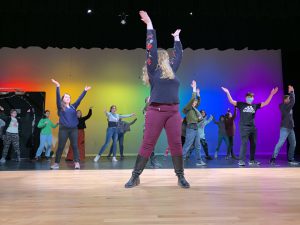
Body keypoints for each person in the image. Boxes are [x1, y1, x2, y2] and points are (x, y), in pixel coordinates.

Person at [125, 11, 190, 188]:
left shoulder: (172, 71)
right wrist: (149, 24)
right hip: (156, 111)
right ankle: (135, 176)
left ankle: (181, 177)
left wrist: (177, 39)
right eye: (166, 57)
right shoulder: (153, 69)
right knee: (148, 144)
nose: (170, 59)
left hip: (173, 112)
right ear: (161, 58)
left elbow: (179, 56)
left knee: (176, 143)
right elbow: (150, 48)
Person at [221, 86, 278, 166]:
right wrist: (227, 92)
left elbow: (266, 103)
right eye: (248, 97)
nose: (250, 98)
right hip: (244, 127)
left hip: (253, 128)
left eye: (251, 97)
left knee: (253, 144)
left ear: (253, 98)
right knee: (244, 143)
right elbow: (231, 101)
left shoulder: (255, 106)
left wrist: (272, 94)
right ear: (245, 98)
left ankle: (252, 160)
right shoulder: (241, 104)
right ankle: (241, 160)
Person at [50, 79, 91, 170]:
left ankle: (76, 163)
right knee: (60, 146)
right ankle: (56, 163)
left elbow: (79, 99)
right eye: (66, 97)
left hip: (73, 129)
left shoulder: (73, 106)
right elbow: (57, 97)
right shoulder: (60, 107)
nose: (68, 98)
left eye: (69, 97)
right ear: (63, 99)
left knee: (75, 146)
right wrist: (58, 86)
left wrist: (85, 91)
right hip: (63, 129)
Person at [270, 85, 298, 165]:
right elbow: (293, 102)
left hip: (290, 128)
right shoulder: (283, 106)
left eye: (289, 99)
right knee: (280, 143)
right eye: (288, 99)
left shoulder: (288, 107)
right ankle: (273, 158)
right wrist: (292, 92)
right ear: (285, 100)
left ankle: (290, 159)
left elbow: (292, 103)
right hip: (284, 128)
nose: (289, 100)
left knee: (293, 143)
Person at [182, 80, 206, 166]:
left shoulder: (195, 109)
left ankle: (199, 161)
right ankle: (181, 160)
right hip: (191, 128)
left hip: (196, 128)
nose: (195, 103)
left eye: (196, 103)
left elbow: (198, 101)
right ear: (192, 103)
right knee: (187, 145)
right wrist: (194, 88)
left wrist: (198, 94)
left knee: (198, 146)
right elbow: (193, 99)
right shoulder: (188, 108)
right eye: (194, 102)